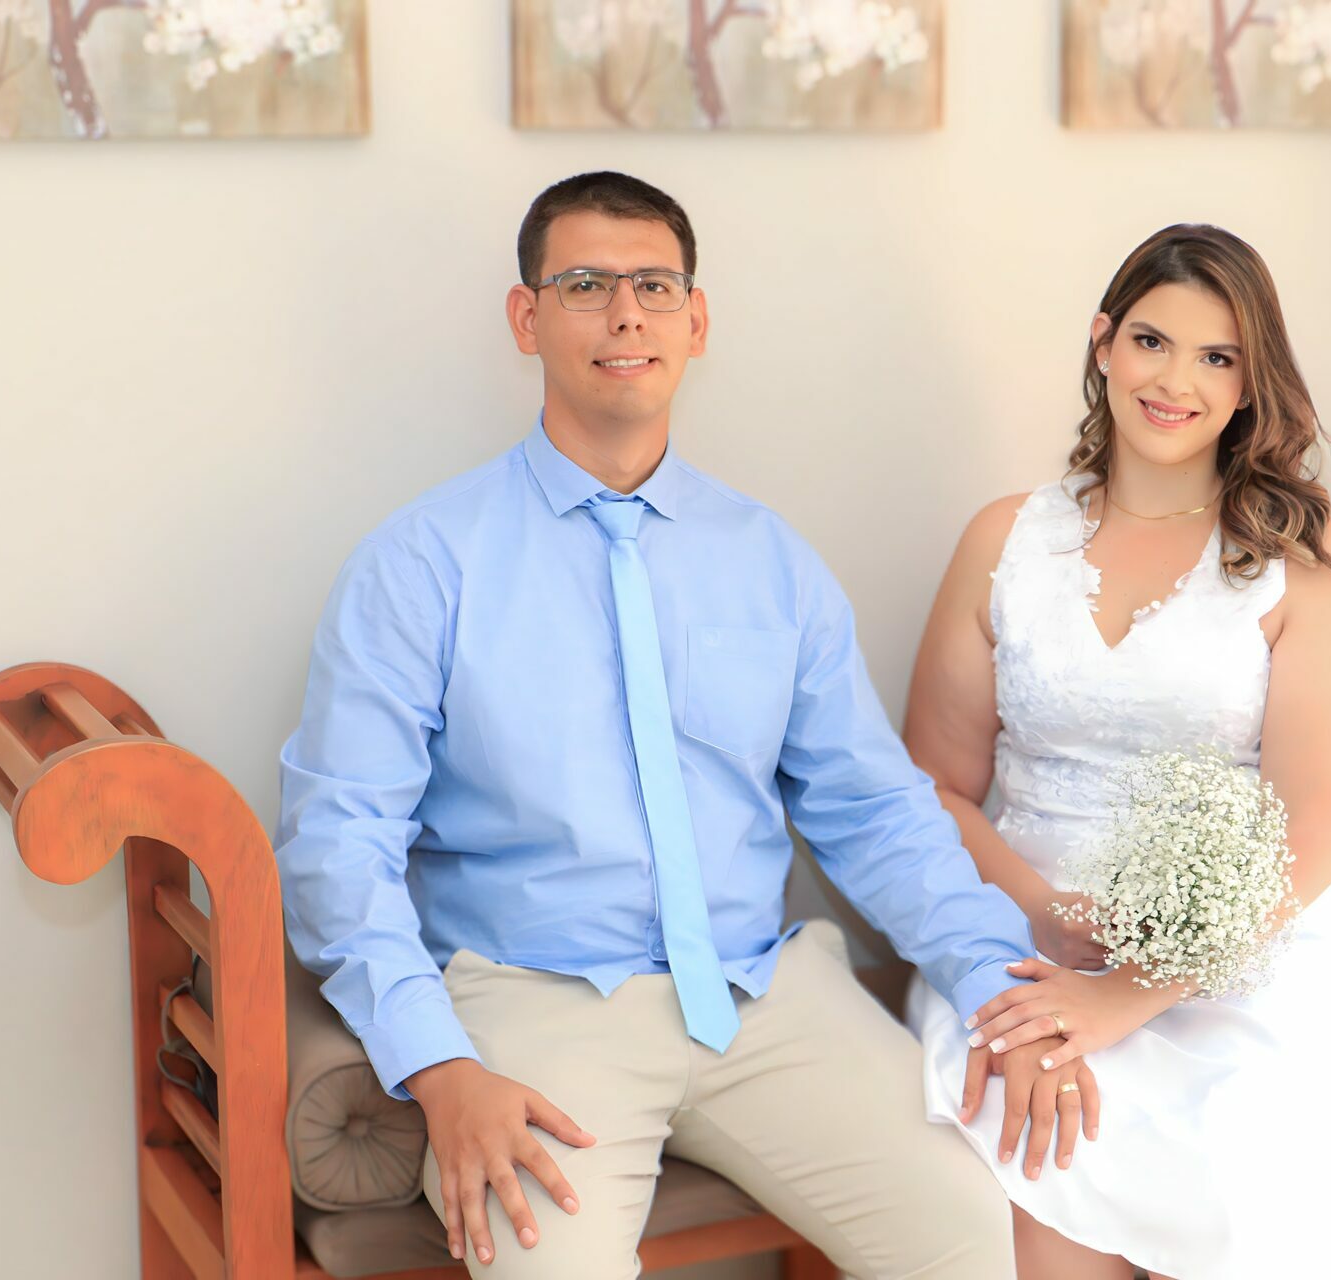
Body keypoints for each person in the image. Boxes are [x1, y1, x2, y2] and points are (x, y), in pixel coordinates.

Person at [273, 170, 1090, 1277]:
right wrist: (440, 1067)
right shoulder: (421, 564)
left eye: (654, 286)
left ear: (695, 322)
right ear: (526, 318)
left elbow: (874, 810)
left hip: (769, 997)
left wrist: (994, 982)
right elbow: (338, 840)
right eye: (585, 284)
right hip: (533, 1005)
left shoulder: (771, 560)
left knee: (977, 1242)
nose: (626, 314)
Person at [901, 223, 1331, 1279]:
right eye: (1153, 341)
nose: (1176, 382)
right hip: (1022, 920)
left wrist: (1127, 993)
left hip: (1271, 940)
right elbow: (931, 786)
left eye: (1217, 357)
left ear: (1249, 384)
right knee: (1036, 1136)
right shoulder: (1004, 541)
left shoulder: (1299, 559)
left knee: (1240, 1159)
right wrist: (1045, 914)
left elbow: (1323, 827)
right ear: (1104, 342)